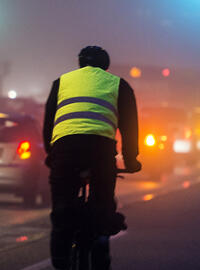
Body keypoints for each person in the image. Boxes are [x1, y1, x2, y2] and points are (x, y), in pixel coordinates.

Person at [43, 46, 141, 270]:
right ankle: (100, 245)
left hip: (65, 151)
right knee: (102, 207)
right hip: (101, 152)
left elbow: (49, 121)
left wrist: (52, 154)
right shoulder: (119, 85)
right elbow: (129, 127)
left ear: (79, 64)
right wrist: (131, 160)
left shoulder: (61, 83)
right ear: (106, 66)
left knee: (62, 208)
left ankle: (60, 260)